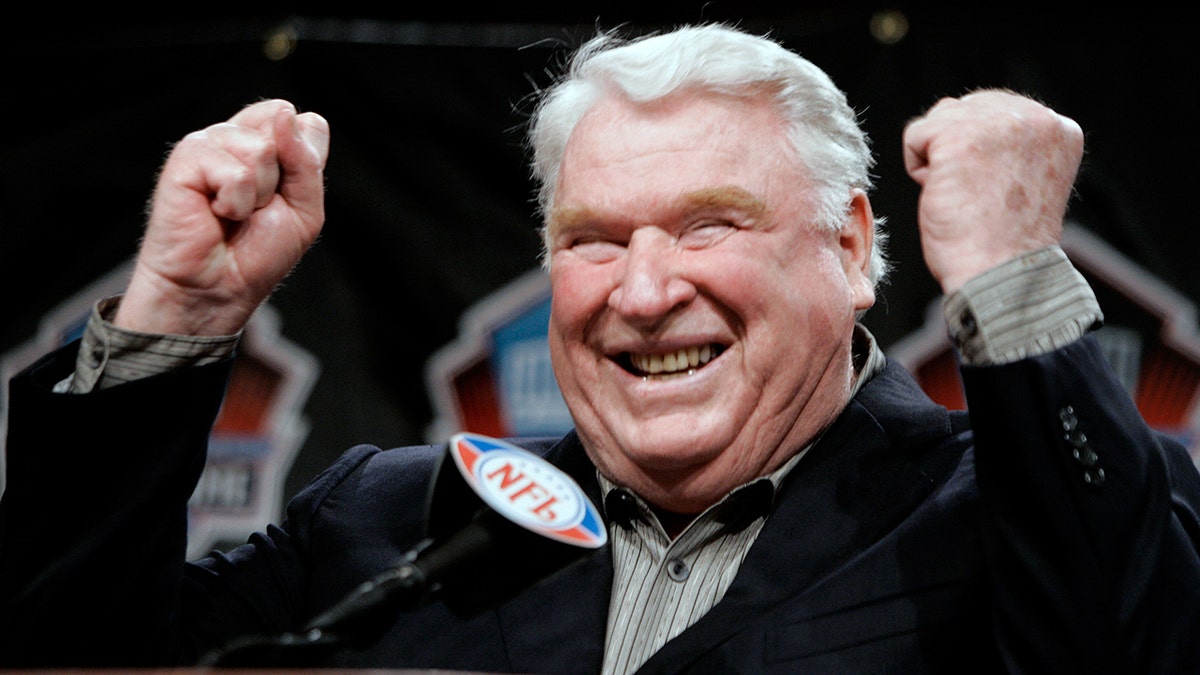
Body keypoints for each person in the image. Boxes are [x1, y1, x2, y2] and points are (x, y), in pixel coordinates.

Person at [3, 22, 1199, 673]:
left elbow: (1127, 638)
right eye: (591, 239)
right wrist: (175, 314)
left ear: (849, 245)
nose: (639, 290)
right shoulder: (389, 521)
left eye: (707, 225)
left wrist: (1010, 274)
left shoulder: (1010, 515)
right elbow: (67, 653)